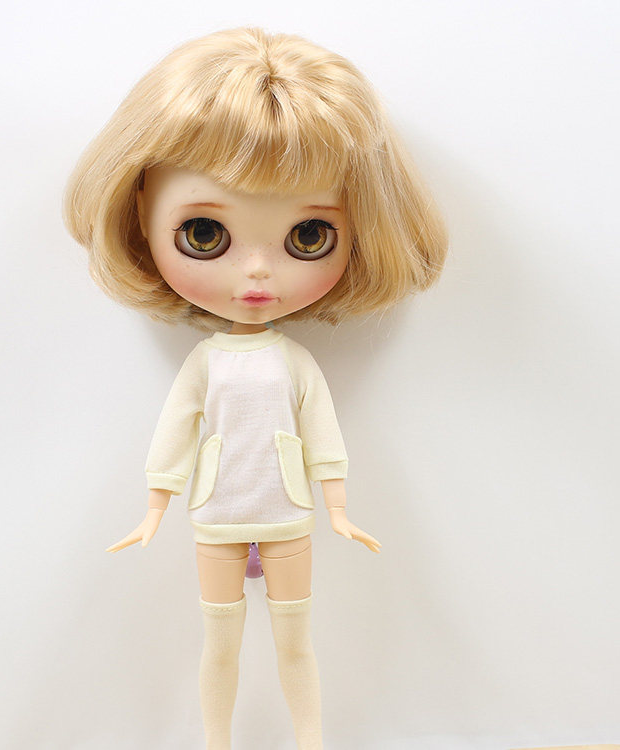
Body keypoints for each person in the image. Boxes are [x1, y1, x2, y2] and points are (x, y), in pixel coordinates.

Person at [63, 27, 447, 749]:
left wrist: (337, 508)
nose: (259, 273)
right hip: (215, 515)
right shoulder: (206, 363)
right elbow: (176, 428)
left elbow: (320, 431)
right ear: (140, 208)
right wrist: (155, 505)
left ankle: (310, 740)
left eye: (309, 237)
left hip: (288, 515)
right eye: (206, 233)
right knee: (221, 644)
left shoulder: (292, 362)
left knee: (295, 641)